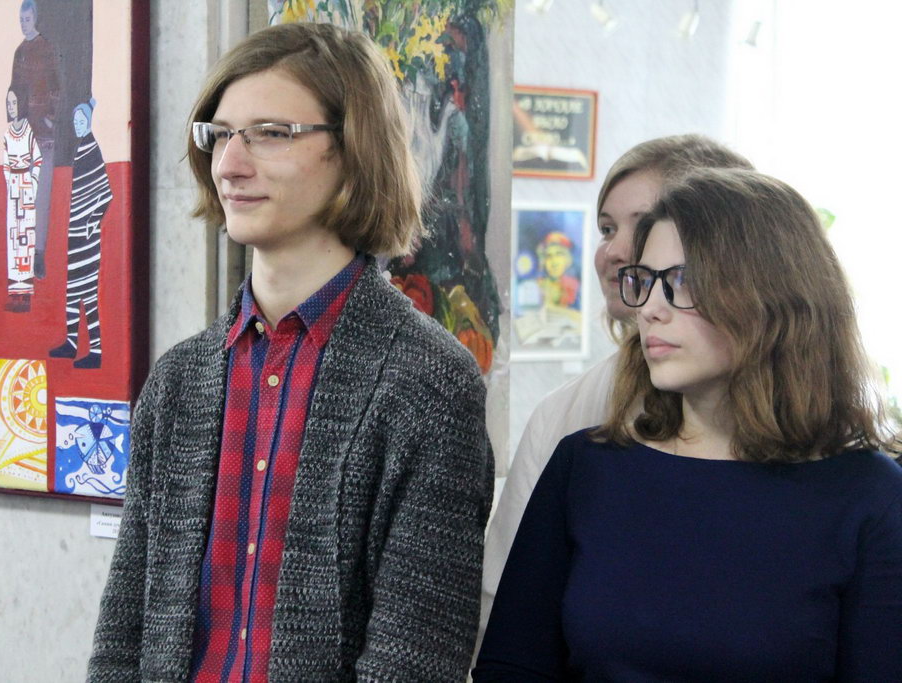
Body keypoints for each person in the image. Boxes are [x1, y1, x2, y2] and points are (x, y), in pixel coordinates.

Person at [88, 22, 493, 682]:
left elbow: (413, 660)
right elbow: (123, 634)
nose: (230, 164)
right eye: (221, 135)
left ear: (353, 149)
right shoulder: (180, 380)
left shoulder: (430, 383)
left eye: (271, 133)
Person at [474, 168, 902, 680]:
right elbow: (513, 667)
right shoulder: (585, 468)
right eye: (644, 281)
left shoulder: (869, 495)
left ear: (772, 298)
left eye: (683, 280)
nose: (649, 310)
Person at [479, 135, 753, 644]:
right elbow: (504, 603)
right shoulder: (563, 415)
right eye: (607, 229)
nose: (614, 251)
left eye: (644, 225)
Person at [48, 100, 112, 369]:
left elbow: (106, 194)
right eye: (75, 121)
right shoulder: (81, 149)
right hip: (75, 235)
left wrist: (91, 223)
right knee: (73, 291)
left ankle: (95, 349)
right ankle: (72, 343)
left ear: (89, 121)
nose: (77, 125)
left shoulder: (91, 150)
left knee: (88, 294)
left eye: (81, 121)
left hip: (86, 238)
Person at [11, 0, 59, 279]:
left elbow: (56, 87)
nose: (23, 24)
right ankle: (24, 252)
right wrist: (15, 122)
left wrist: (50, 117)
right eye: (21, 19)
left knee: (41, 197)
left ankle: (38, 253)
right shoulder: (19, 53)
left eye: (27, 19)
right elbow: (14, 91)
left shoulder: (47, 48)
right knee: (22, 195)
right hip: (24, 135)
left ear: (35, 19)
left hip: (45, 135)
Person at [2, 87, 40, 313]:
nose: (11, 107)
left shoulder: (29, 131)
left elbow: (38, 160)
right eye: (8, 103)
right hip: (13, 192)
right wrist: (10, 184)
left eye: (14, 103)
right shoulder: (7, 134)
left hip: (26, 188)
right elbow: (5, 164)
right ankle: (14, 294)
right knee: (13, 241)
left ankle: (26, 296)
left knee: (26, 241)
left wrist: (31, 184)